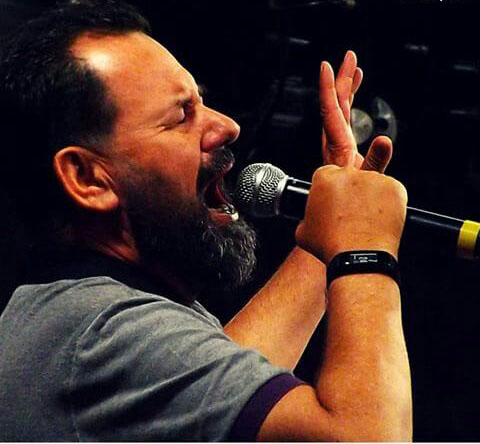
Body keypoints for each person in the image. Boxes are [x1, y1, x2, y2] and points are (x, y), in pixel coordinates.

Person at [0, 0, 411, 441]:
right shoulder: (103, 335)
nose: (228, 126)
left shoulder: (76, 320)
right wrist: (364, 251)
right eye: (181, 115)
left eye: (202, 101)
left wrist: (333, 230)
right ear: (87, 178)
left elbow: (225, 389)